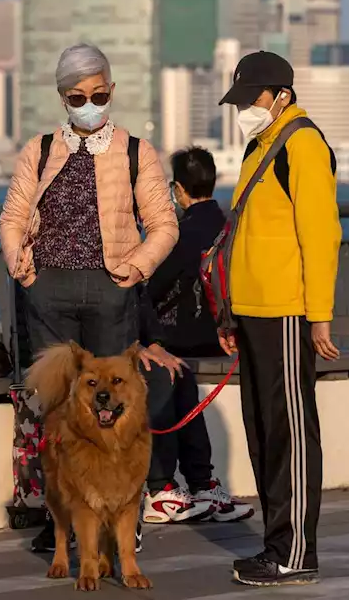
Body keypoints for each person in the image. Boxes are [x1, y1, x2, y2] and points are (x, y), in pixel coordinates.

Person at [0, 43, 183, 553]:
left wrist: (136, 268)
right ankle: (61, 517)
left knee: (121, 404)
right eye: (78, 96)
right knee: (54, 410)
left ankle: (125, 517)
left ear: (112, 90)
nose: (90, 103)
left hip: (110, 290)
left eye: (99, 94)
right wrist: (23, 266)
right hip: (48, 290)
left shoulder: (134, 151)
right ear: (63, 98)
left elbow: (164, 223)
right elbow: (11, 217)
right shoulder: (37, 150)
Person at [215, 51, 341, 587]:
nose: (244, 109)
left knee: (289, 431)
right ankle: (276, 546)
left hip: (288, 311)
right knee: (264, 432)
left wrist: (320, 316)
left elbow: (321, 234)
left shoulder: (302, 145)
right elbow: (248, 235)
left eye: (251, 99)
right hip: (253, 312)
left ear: (281, 96)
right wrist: (229, 313)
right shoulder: (259, 146)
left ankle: (295, 553)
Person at [142, 147, 254, 524]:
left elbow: (150, 285)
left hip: (185, 337)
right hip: (231, 333)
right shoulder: (228, 224)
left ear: (178, 189)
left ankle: (170, 487)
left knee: (173, 373)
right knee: (181, 377)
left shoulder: (181, 234)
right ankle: (203, 484)